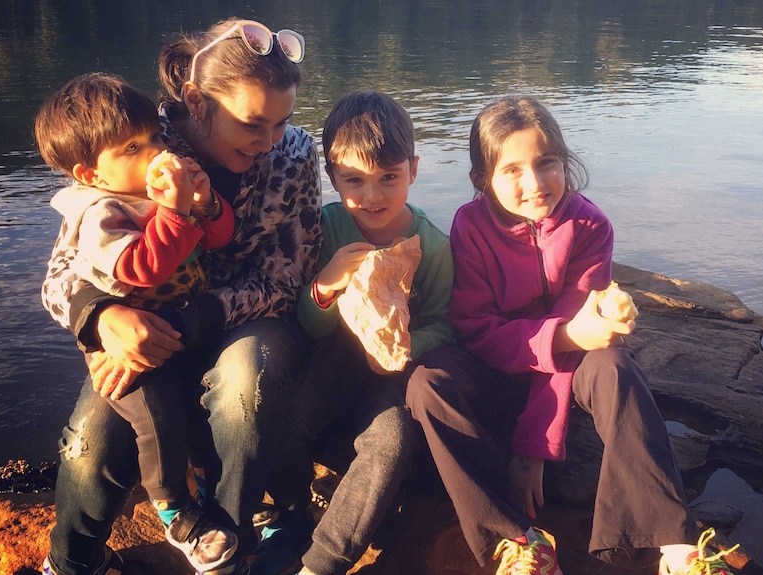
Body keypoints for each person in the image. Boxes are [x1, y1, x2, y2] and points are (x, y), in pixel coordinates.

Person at [405, 96, 739, 575]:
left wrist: (534, 445)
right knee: (426, 384)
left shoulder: (588, 225)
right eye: (512, 170)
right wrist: (564, 336)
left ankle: (673, 545)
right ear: (482, 180)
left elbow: (581, 339)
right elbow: (478, 333)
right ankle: (518, 539)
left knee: (615, 364)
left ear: (565, 162)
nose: (535, 184)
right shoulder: (470, 226)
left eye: (547, 164)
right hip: (498, 369)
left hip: (569, 377)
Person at [39, 18, 321, 575]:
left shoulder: (294, 155)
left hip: (244, 321)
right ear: (195, 98)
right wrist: (99, 318)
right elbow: (63, 269)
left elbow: (286, 279)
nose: (269, 141)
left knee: (245, 383)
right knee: (94, 436)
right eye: (253, 123)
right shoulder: (135, 141)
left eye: (282, 121)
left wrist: (194, 320)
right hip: (144, 324)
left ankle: (228, 550)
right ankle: (74, 564)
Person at [35, 71, 239, 572]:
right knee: (158, 415)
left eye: (153, 137)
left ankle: (219, 497)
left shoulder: (152, 192)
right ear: (91, 174)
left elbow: (216, 239)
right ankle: (172, 506)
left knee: (201, 411)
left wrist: (206, 203)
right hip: (124, 347)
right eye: (132, 147)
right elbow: (141, 268)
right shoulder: (100, 213)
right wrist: (174, 210)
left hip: (177, 330)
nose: (152, 151)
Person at [250, 91, 455, 575]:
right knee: (293, 415)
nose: (373, 196)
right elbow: (308, 323)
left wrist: (404, 350)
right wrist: (326, 285)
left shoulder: (432, 245)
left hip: (395, 372)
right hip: (336, 354)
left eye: (389, 178)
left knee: (389, 442)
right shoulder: (328, 227)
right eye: (354, 180)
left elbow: (447, 326)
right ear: (332, 176)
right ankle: (294, 512)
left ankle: (322, 563)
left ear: (414, 169)